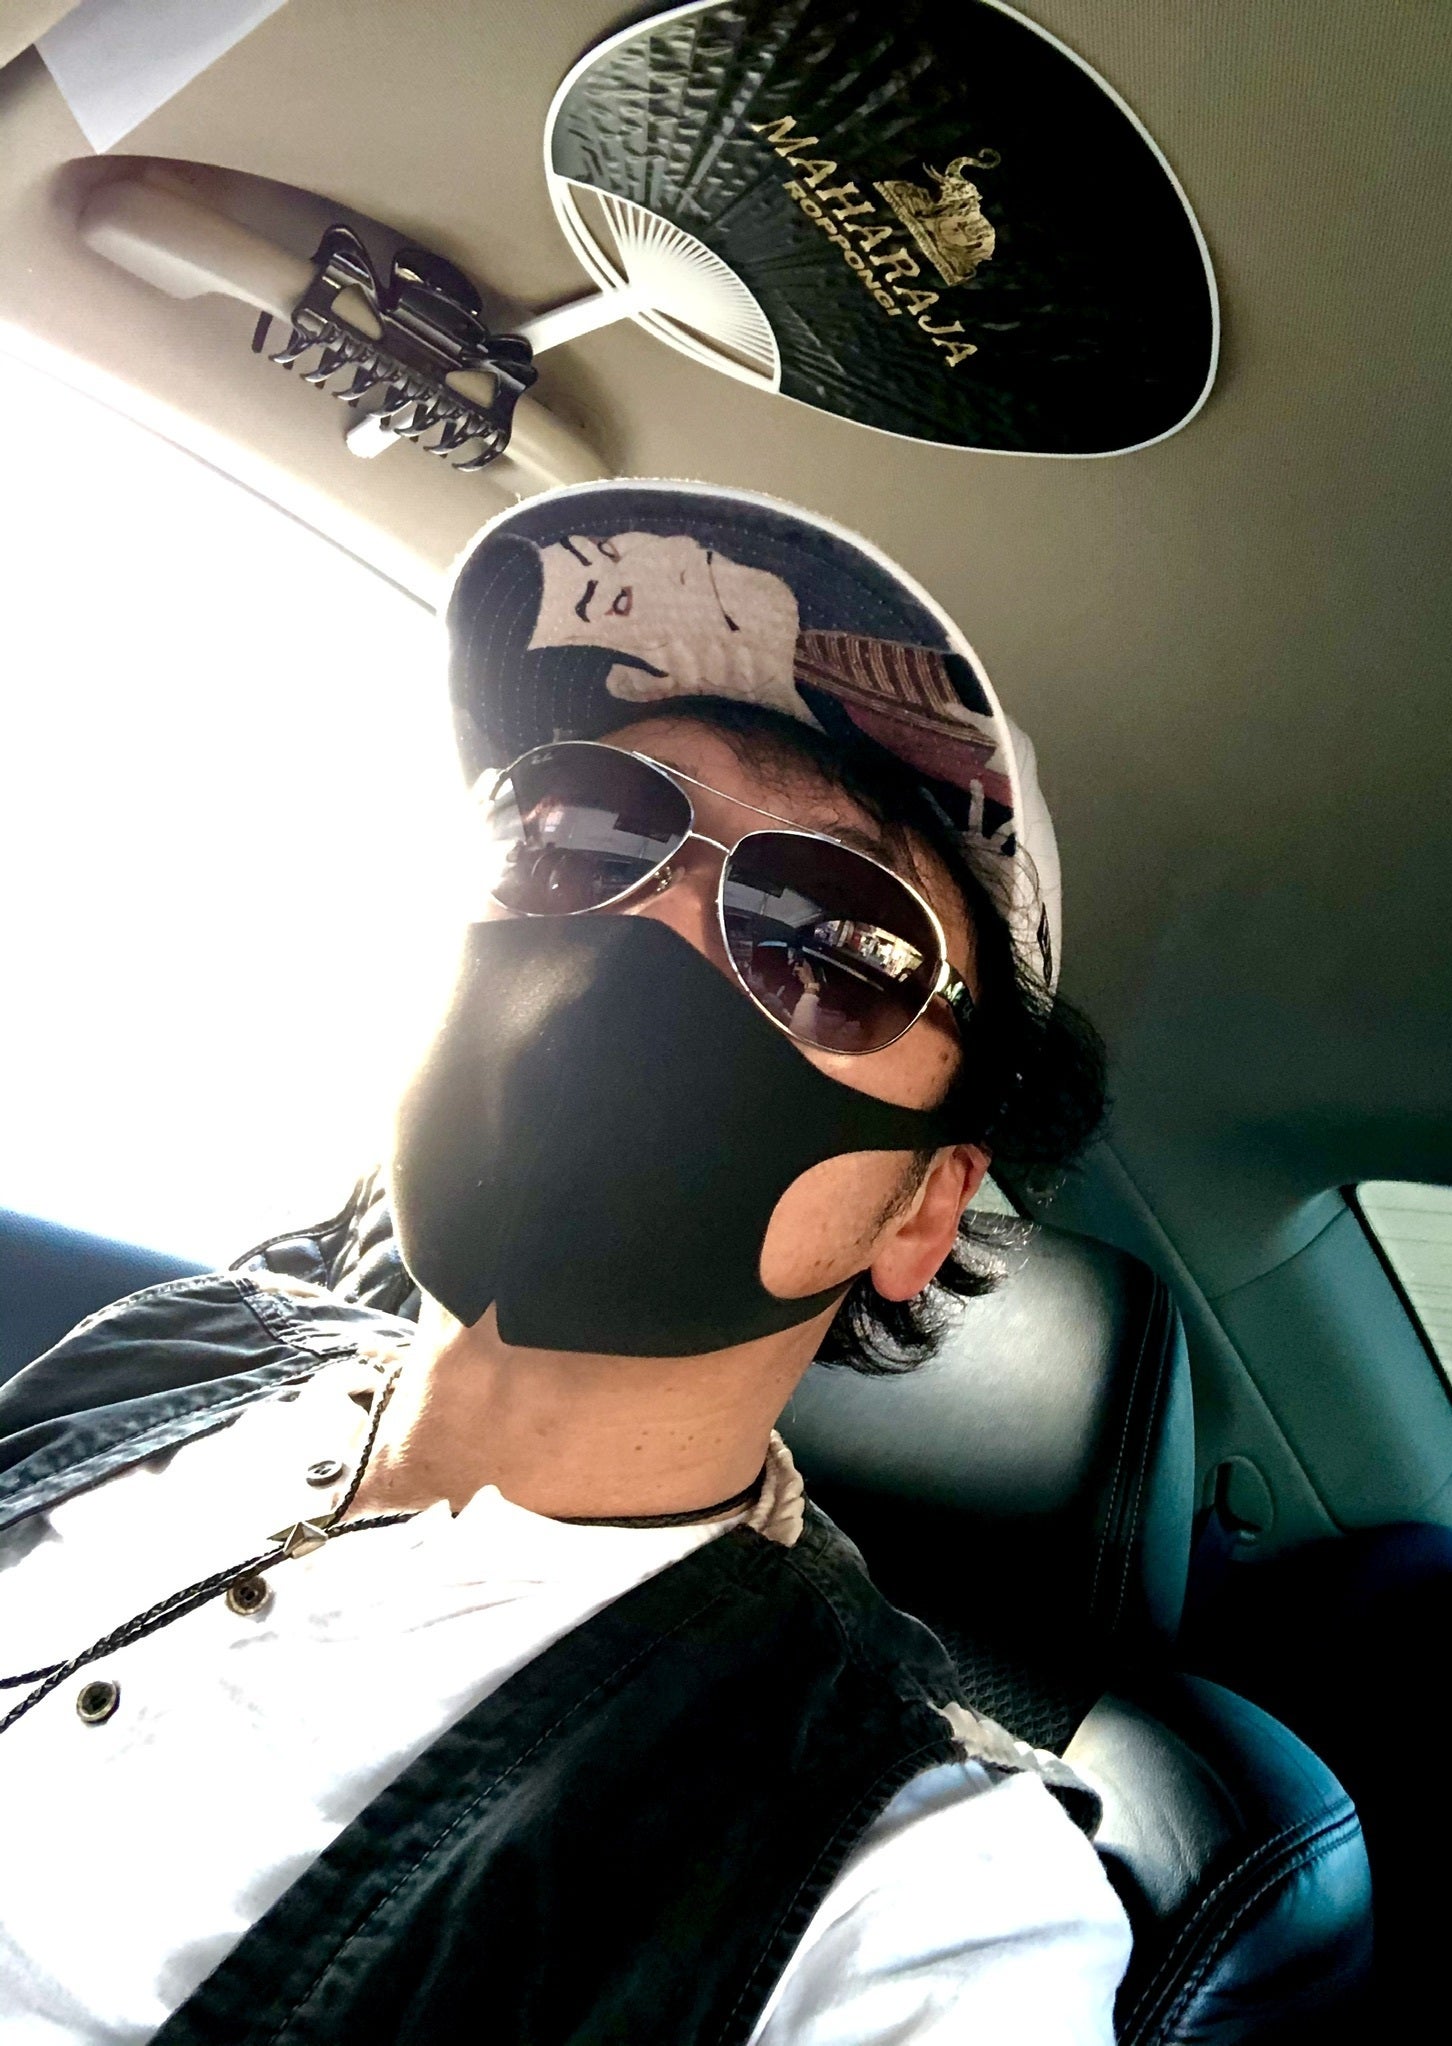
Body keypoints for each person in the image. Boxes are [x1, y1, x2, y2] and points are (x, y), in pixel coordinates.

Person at [0, 481, 1128, 2043]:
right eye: (581, 826)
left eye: (826, 934)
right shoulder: (180, 1337)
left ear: (923, 1210)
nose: (645, 923)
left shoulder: (906, 1875)